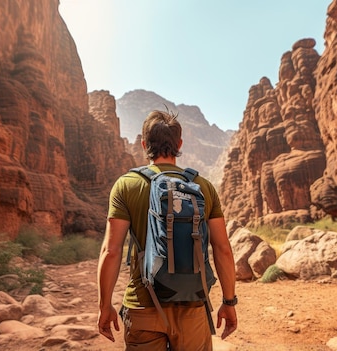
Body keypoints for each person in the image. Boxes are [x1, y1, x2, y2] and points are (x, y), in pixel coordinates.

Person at [97, 109, 237, 350]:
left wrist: (104, 306)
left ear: (143, 144)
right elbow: (223, 249)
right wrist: (229, 301)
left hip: (142, 306)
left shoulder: (126, 185)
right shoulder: (203, 186)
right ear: (179, 144)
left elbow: (111, 251)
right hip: (193, 306)